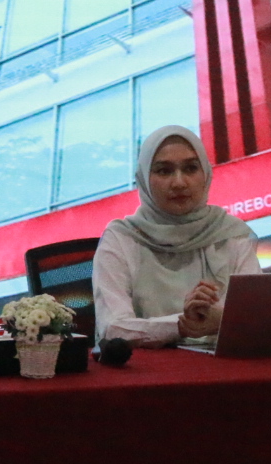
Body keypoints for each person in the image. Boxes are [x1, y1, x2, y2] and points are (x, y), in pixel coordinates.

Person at [91, 125, 260, 348]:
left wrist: (220, 319)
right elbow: (112, 328)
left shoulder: (231, 234)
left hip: (225, 364)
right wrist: (182, 324)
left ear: (206, 174)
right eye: (164, 171)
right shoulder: (122, 238)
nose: (179, 182)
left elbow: (259, 316)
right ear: (144, 179)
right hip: (148, 368)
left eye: (191, 168)